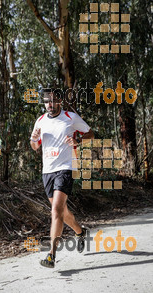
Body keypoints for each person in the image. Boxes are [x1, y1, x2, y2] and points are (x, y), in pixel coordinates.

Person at [30, 91, 94, 268]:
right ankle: (80, 232)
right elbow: (34, 146)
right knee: (62, 212)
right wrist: (35, 139)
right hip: (47, 171)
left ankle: (51, 255)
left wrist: (77, 141)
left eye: (52, 101)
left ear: (59, 101)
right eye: (46, 102)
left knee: (56, 210)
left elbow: (90, 134)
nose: (49, 105)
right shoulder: (41, 120)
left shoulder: (70, 117)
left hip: (66, 168)